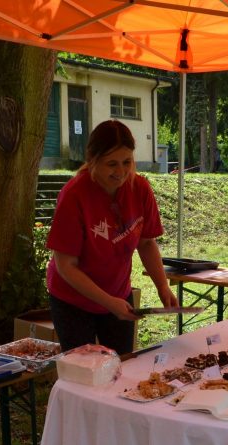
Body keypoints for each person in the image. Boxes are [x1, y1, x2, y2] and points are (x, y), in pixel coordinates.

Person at [46, 120, 179, 355]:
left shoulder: (140, 188)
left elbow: (146, 243)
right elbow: (66, 265)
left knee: (122, 368)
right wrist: (108, 302)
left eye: (127, 162)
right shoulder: (74, 195)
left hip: (119, 294)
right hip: (73, 301)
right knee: (85, 374)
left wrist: (162, 286)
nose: (120, 172)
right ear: (92, 160)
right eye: (111, 164)